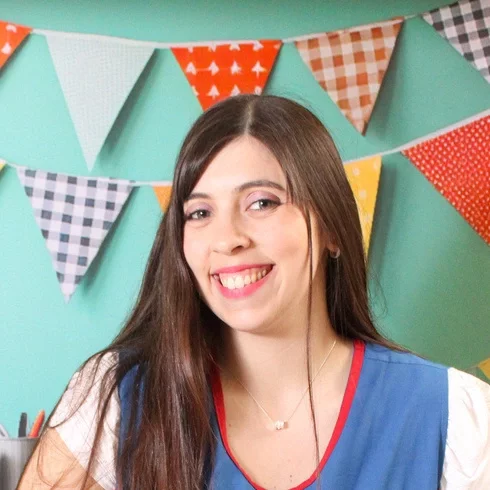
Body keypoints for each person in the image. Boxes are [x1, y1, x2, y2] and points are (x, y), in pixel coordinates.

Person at [19, 95, 490, 490]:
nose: (228, 239)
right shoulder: (118, 399)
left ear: (332, 228)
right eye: (200, 213)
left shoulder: (454, 416)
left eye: (261, 203)